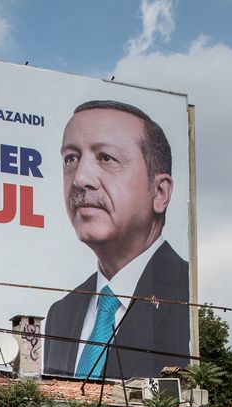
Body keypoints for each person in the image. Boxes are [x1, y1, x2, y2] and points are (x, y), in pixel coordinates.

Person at [42, 100, 190, 381]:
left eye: (106, 158)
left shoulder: (187, 295)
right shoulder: (61, 313)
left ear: (160, 192)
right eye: (71, 158)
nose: (80, 179)